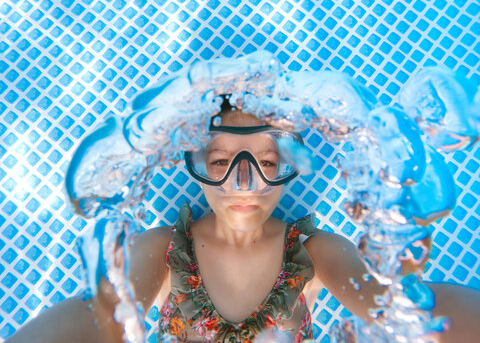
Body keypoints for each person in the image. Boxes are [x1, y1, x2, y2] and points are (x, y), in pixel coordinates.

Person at [6, 99, 480, 343]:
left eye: (267, 162)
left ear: (288, 166)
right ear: (195, 165)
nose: (246, 183)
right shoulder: (163, 249)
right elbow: (100, 318)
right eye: (221, 162)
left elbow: (406, 306)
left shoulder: (315, 253)